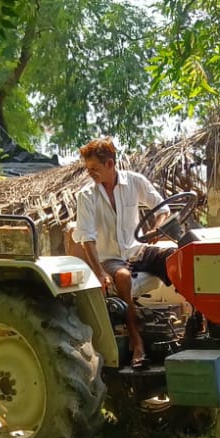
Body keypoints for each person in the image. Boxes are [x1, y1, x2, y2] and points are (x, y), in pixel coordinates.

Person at [73, 137, 168, 366]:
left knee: (175, 257)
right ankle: (137, 342)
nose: (91, 174)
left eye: (95, 168)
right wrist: (100, 273)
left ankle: (197, 324)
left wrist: (156, 229)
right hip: (109, 258)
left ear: (110, 164)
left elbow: (162, 208)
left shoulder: (135, 182)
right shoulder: (86, 196)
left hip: (137, 249)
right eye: (88, 169)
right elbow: (87, 239)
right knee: (123, 277)